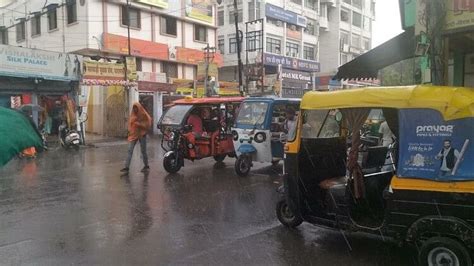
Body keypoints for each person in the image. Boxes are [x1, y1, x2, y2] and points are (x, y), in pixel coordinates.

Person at [121, 102, 152, 173]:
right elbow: (130, 124)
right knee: (129, 150)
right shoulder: (133, 115)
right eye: (134, 108)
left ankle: (146, 166)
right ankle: (126, 167)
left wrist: (140, 124)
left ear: (139, 108)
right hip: (134, 135)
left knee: (143, 151)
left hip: (142, 134)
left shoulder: (144, 115)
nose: (135, 109)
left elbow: (148, 123)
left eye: (136, 108)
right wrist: (129, 132)